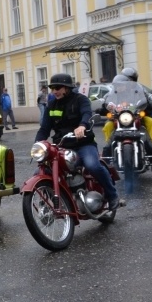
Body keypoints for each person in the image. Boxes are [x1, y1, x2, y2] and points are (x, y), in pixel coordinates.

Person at [36, 73, 121, 214]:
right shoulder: (51, 105)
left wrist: (82, 125)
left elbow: (87, 114)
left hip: (83, 144)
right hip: (62, 146)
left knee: (92, 165)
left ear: (67, 88)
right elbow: (44, 129)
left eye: (58, 88)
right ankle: (53, 203)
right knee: (42, 171)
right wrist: (38, 145)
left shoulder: (80, 100)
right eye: (53, 88)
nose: (55, 91)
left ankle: (112, 196)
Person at [100, 71, 152, 179]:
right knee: (107, 127)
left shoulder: (138, 91)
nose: (119, 87)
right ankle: (106, 170)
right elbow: (106, 103)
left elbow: (147, 102)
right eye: (117, 85)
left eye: (121, 85)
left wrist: (148, 104)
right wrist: (105, 108)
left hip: (137, 118)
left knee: (151, 125)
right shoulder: (113, 94)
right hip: (119, 119)